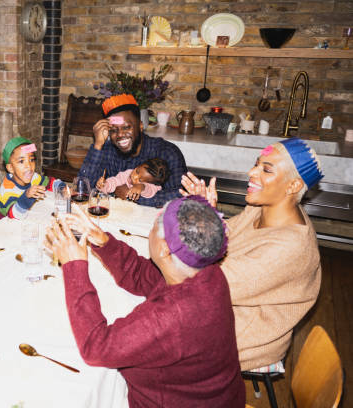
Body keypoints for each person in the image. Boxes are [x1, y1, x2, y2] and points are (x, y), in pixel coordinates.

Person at [46, 197, 245, 408]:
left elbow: (96, 347)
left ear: (164, 250)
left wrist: (74, 266)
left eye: (155, 225)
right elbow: (142, 276)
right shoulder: (208, 272)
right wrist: (103, 241)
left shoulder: (172, 316)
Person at [180, 138, 322, 371]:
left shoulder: (289, 248)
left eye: (266, 169)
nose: (251, 172)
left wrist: (199, 224)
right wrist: (206, 215)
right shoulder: (260, 209)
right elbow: (221, 238)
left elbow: (207, 286)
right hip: (221, 303)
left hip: (242, 335)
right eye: (256, 164)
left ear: (293, 186)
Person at [77, 94, 186, 207]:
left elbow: (180, 196)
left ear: (140, 126)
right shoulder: (107, 150)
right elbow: (82, 189)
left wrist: (131, 196)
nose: (120, 135)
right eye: (114, 130)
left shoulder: (167, 152)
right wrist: (98, 145)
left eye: (126, 127)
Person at [0, 136, 64, 221]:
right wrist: (26, 196)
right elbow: (14, 215)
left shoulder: (33, 177)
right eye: (21, 161)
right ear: (10, 168)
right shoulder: (7, 190)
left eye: (31, 160)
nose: (29, 166)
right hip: (6, 226)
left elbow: (49, 182)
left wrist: (62, 188)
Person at [96, 157, 169, 202]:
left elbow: (150, 191)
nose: (134, 177)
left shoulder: (153, 186)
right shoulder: (128, 173)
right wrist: (104, 184)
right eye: (137, 171)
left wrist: (142, 187)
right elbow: (115, 181)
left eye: (140, 180)